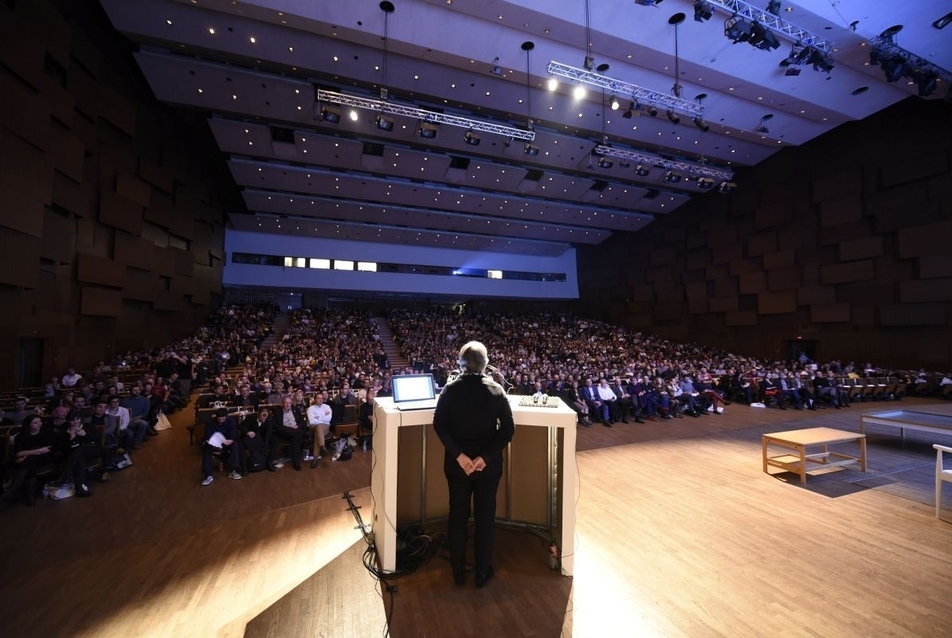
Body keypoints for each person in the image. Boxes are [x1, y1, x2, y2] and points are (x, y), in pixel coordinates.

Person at [433, 341, 515, 589]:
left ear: (460, 364)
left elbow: (440, 425)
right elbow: (508, 430)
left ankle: (458, 570)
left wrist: (460, 456)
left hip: (458, 467)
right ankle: (481, 573)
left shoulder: (449, 390)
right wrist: (484, 457)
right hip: (487, 469)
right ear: (486, 364)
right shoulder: (497, 390)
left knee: (457, 515)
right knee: (485, 517)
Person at [201, 408, 241, 486]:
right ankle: (208, 474)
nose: (220, 421)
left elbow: (233, 435)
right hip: (214, 442)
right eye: (219, 419)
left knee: (235, 445)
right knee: (206, 448)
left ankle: (233, 470)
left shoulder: (231, 421)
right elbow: (208, 436)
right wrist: (215, 442)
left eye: (222, 419)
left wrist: (230, 440)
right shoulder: (210, 422)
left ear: (226, 417)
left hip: (226, 442)